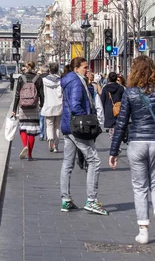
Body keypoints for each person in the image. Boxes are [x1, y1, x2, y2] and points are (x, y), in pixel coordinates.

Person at [109, 56, 155, 245]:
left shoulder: (130, 93)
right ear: (153, 70)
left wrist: (114, 150)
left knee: (140, 187)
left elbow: (122, 122)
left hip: (136, 142)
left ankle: (143, 230)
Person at [60, 57, 107, 215]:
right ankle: (92, 200)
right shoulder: (76, 82)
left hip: (68, 125)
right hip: (77, 127)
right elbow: (75, 105)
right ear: (76, 69)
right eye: (85, 67)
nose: (88, 70)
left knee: (68, 163)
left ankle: (66, 199)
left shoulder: (71, 81)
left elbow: (83, 99)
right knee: (94, 160)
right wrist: (85, 120)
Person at [12, 61, 44, 161]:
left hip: (23, 107)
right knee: (32, 131)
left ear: (26, 67)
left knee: (23, 128)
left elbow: (17, 94)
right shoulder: (38, 78)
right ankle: (30, 155)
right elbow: (42, 94)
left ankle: (25, 145)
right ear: (34, 67)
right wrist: (42, 105)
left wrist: (14, 109)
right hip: (34, 107)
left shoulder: (21, 78)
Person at [41, 62, 62, 153]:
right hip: (58, 105)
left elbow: (42, 93)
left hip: (48, 104)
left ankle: (50, 140)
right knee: (57, 126)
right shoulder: (60, 80)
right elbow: (61, 93)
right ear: (57, 70)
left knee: (49, 125)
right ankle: (56, 146)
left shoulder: (44, 80)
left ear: (49, 70)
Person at [100, 72, 125, 141]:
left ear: (108, 79)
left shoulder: (105, 88)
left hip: (108, 109)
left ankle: (113, 140)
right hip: (118, 109)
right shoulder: (120, 88)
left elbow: (102, 100)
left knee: (111, 127)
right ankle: (117, 139)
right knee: (118, 125)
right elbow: (124, 99)